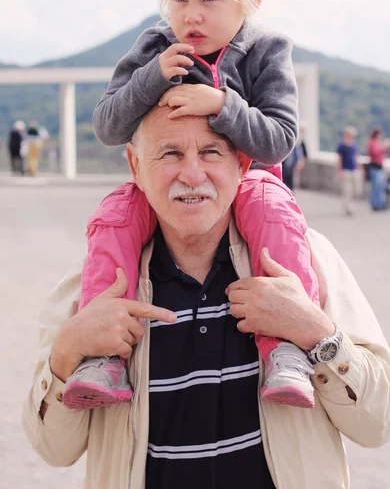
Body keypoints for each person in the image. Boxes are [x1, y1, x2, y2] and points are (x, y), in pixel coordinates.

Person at [22, 107, 390, 489]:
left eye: (212, 152)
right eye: (170, 153)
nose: (193, 175)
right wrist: (66, 354)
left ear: (242, 163)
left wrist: (315, 330)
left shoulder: (308, 263)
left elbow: (377, 425)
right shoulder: (94, 287)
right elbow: (53, 449)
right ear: (135, 165)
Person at [63, 0, 320, 411]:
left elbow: (279, 142)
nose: (191, 14)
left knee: (275, 217)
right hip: (161, 186)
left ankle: (285, 350)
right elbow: (108, 127)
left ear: (250, 0)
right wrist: (150, 80)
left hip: (252, 185)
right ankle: (103, 357)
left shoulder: (267, 51)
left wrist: (220, 103)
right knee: (114, 215)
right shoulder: (153, 48)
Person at [336, 126, 362, 216]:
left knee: (356, 190)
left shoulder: (354, 145)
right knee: (347, 190)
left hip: (354, 170)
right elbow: (339, 159)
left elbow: (356, 158)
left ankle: (351, 206)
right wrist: (339, 171)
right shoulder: (342, 146)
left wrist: (360, 169)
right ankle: (348, 208)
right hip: (346, 170)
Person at [367, 127, 390, 211]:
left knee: (380, 187)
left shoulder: (377, 142)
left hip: (379, 167)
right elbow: (375, 152)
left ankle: (380, 204)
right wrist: (384, 146)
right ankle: (375, 204)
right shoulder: (372, 142)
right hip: (374, 167)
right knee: (375, 187)